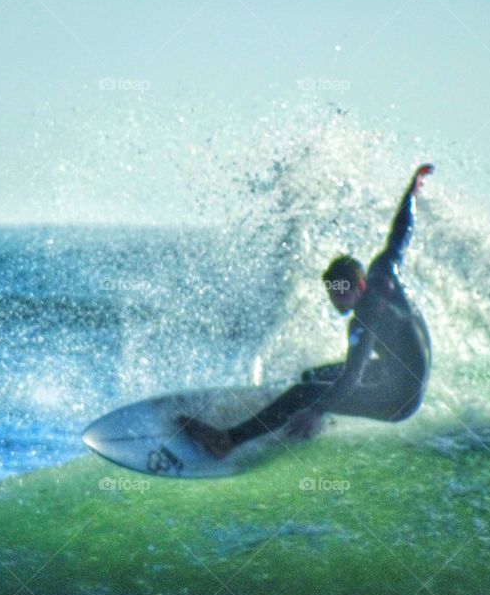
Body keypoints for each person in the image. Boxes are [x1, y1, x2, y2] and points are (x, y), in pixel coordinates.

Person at [178, 164, 434, 457]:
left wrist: (318, 409)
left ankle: (227, 441)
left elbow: (353, 375)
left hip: (400, 399)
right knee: (314, 376)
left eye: (341, 293)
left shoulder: (365, 320)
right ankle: (298, 421)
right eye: (331, 294)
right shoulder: (384, 269)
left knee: (307, 393)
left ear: (360, 285)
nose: (336, 301)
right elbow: (400, 234)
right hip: (396, 373)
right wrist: (411, 193)